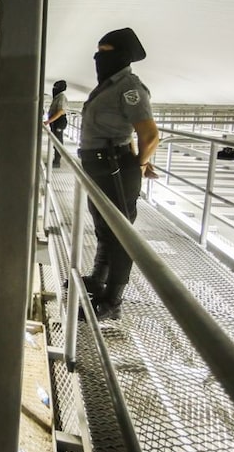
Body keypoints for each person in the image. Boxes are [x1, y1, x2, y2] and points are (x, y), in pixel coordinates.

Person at [78, 27, 159, 320]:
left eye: (106, 52)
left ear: (122, 56)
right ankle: (98, 281)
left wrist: (138, 164)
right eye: (98, 52)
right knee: (104, 229)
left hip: (114, 166)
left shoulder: (130, 88)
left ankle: (112, 301)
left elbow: (150, 135)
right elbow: (129, 133)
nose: (99, 57)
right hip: (101, 165)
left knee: (120, 235)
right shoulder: (109, 85)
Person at [42, 80, 68, 167]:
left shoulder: (61, 97)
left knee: (58, 141)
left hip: (59, 121)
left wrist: (48, 121)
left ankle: (57, 162)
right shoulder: (57, 97)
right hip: (55, 122)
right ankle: (55, 160)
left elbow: (60, 111)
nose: (54, 89)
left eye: (56, 87)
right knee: (55, 140)